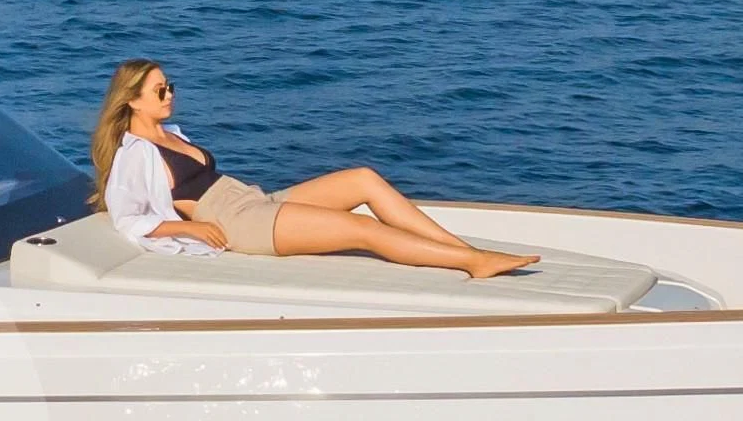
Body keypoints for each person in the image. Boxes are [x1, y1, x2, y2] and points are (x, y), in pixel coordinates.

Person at [93, 61, 534, 280]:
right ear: (132, 100)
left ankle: (462, 249)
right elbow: (128, 217)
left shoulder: (172, 134)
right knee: (361, 229)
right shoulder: (136, 153)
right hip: (238, 222)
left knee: (363, 179)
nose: (170, 94)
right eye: (159, 90)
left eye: (170, 86)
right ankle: (473, 263)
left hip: (253, 200)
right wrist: (188, 228)